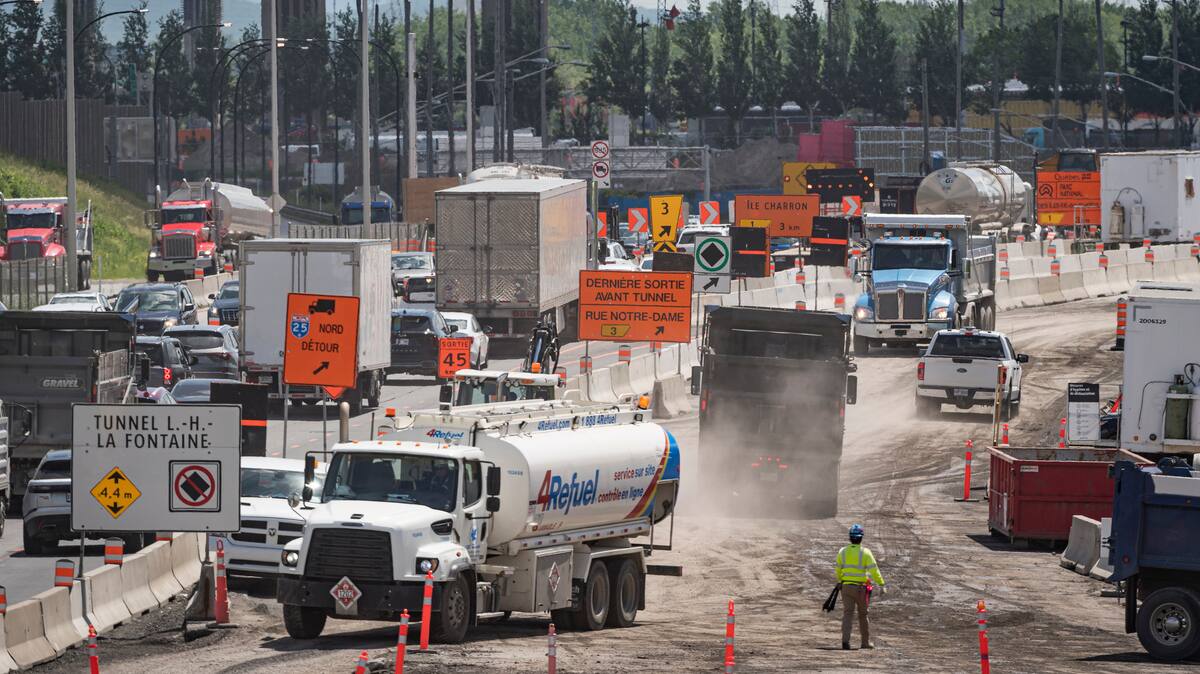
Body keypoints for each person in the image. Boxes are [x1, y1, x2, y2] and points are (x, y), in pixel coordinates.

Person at [836, 523, 886, 650]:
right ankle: (865, 643)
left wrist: (840, 580)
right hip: (860, 589)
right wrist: (881, 584)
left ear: (850, 537)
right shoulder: (866, 553)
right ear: (861, 538)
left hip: (846, 588)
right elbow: (874, 570)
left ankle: (845, 641)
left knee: (848, 614)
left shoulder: (842, 552)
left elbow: (838, 569)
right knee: (863, 615)